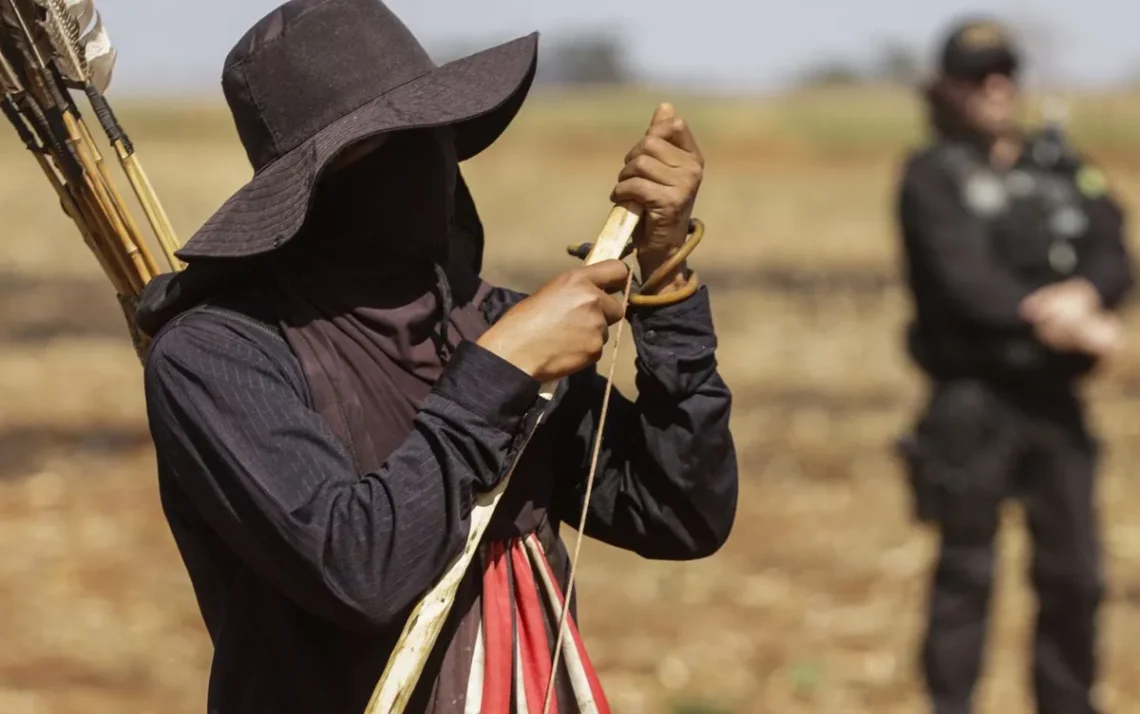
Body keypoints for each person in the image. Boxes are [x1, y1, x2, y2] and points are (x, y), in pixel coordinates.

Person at [135, 1, 737, 713]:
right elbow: (360, 571)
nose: (416, 162)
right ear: (307, 189)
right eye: (373, 148)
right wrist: (497, 376)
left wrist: (665, 284)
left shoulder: (484, 318)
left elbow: (677, 512)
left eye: (426, 131)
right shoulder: (218, 356)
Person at [894, 17, 1133, 714]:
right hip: (971, 401)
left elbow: (1114, 251)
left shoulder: (1061, 166)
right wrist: (1064, 318)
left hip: (1055, 404)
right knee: (967, 571)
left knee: (1074, 575)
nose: (994, 86)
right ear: (947, 88)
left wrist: (1088, 293)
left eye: (1003, 72)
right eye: (976, 75)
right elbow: (964, 281)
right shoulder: (931, 175)